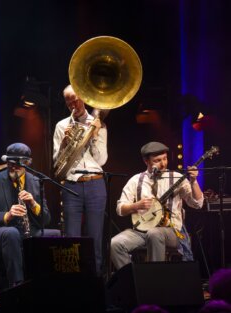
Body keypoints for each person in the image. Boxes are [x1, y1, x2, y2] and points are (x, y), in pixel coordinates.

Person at [110, 141, 204, 271]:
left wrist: (194, 181)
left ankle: (154, 280)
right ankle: (133, 280)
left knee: (154, 234)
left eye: (165, 159)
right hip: (142, 231)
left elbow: (197, 204)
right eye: (157, 160)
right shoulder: (136, 180)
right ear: (146, 161)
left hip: (171, 231)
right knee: (115, 243)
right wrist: (136, 206)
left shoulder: (176, 178)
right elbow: (120, 209)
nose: (163, 163)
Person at [0, 142, 59, 288]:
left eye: (18, 163)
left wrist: (33, 204)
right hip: (0, 231)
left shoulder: (36, 181)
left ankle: (51, 285)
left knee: (55, 234)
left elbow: (46, 219)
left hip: (28, 230)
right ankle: (17, 286)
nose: (14, 167)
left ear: (27, 163)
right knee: (11, 233)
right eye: (11, 162)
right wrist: (7, 215)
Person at [52, 84, 107, 275]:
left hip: (95, 183)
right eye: (69, 102)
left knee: (94, 238)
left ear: (83, 97)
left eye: (75, 99)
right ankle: (72, 283)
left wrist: (95, 135)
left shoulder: (99, 123)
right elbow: (56, 164)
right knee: (71, 239)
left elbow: (101, 160)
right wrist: (65, 143)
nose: (73, 104)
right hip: (71, 185)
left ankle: (95, 282)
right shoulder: (61, 126)